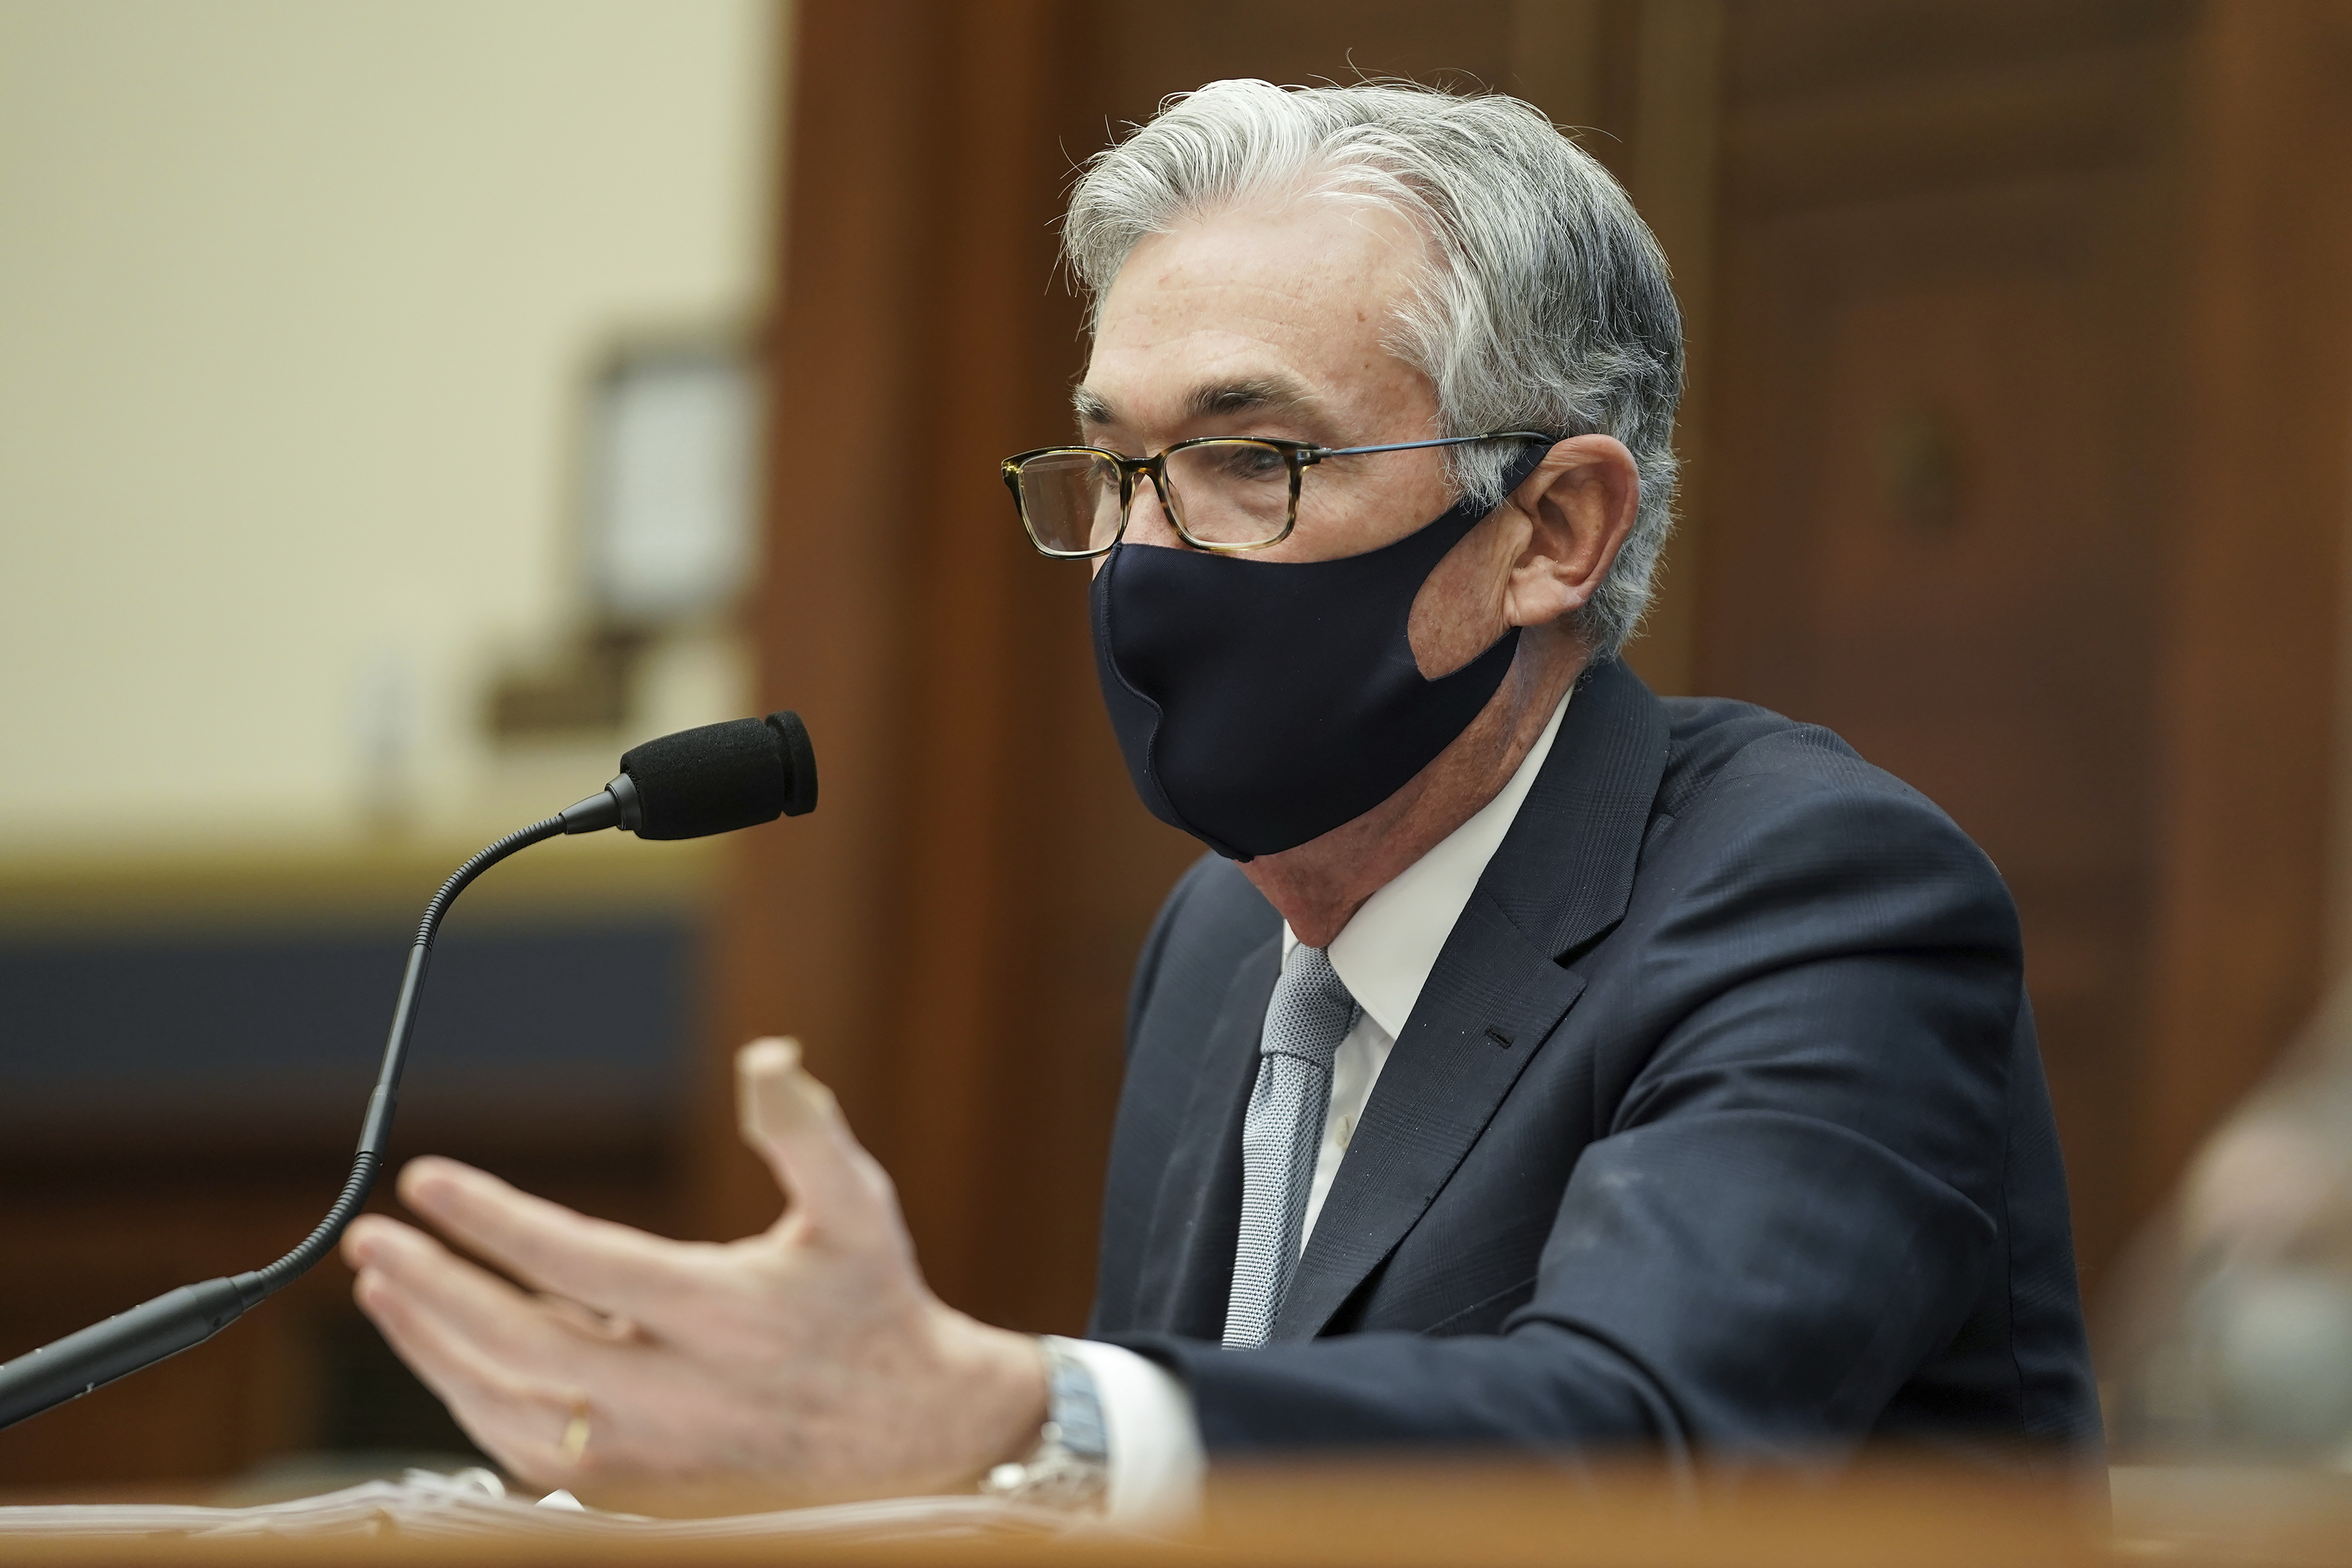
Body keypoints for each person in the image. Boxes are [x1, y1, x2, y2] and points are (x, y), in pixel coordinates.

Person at [342, 80, 2100, 1519]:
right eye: (1112, 463)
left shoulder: (1815, 891)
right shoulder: (1221, 947)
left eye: (1250, 459)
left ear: (1551, 530)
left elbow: (1634, 1439)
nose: (1139, 554)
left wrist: (1022, 1414)